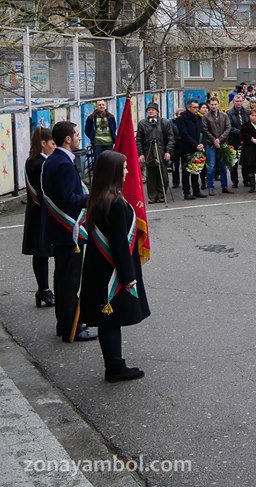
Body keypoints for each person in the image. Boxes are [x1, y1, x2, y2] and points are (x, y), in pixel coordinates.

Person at [79, 150, 150, 382]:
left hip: (98, 268)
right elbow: (120, 244)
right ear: (114, 172)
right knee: (111, 320)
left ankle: (115, 364)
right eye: (124, 167)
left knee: (107, 321)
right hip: (113, 271)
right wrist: (129, 276)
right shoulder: (116, 203)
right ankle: (115, 368)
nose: (128, 171)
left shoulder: (98, 198)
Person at [41, 121, 97, 342]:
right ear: (67, 139)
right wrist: (89, 198)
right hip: (68, 231)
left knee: (62, 278)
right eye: (76, 134)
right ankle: (72, 327)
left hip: (61, 232)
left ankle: (63, 322)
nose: (78, 138)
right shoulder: (63, 164)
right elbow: (67, 199)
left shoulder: (55, 159)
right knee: (69, 282)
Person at [23, 127, 55, 308]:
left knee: (41, 253)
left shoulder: (32, 160)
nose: (53, 147)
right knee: (41, 253)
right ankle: (43, 290)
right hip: (41, 212)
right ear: (43, 143)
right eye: (52, 144)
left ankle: (43, 290)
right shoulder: (39, 164)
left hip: (36, 212)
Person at [135, 102, 175, 204]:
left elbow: (171, 138)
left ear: (157, 111)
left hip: (161, 151)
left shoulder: (164, 122)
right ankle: (152, 196)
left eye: (152, 110)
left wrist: (168, 151)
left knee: (163, 175)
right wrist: (140, 154)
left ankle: (162, 195)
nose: (150, 111)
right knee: (151, 176)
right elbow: (138, 140)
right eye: (149, 110)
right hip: (148, 152)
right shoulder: (142, 123)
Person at [202, 97, 232, 195]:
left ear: (218, 105)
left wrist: (220, 139)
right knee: (211, 166)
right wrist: (214, 140)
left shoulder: (224, 115)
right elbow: (205, 130)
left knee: (223, 166)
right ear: (209, 105)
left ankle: (225, 186)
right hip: (211, 145)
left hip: (222, 144)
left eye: (215, 104)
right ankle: (210, 186)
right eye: (212, 104)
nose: (214, 106)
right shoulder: (205, 117)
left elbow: (228, 128)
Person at [226, 94, 249, 189]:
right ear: (233, 102)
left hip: (245, 140)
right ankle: (234, 181)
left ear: (242, 101)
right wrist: (240, 132)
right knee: (233, 162)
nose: (238, 103)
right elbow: (229, 127)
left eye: (240, 101)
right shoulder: (229, 113)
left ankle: (246, 179)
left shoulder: (247, 112)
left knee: (246, 161)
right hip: (234, 140)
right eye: (236, 101)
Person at [83, 99, 117, 165]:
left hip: (109, 143)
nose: (101, 106)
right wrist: (92, 137)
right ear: (96, 106)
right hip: (97, 144)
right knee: (98, 162)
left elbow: (114, 128)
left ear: (105, 106)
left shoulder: (110, 117)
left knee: (109, 161)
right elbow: (87, 130)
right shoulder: (91, 117)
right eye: (99, 105)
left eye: (103, 105)